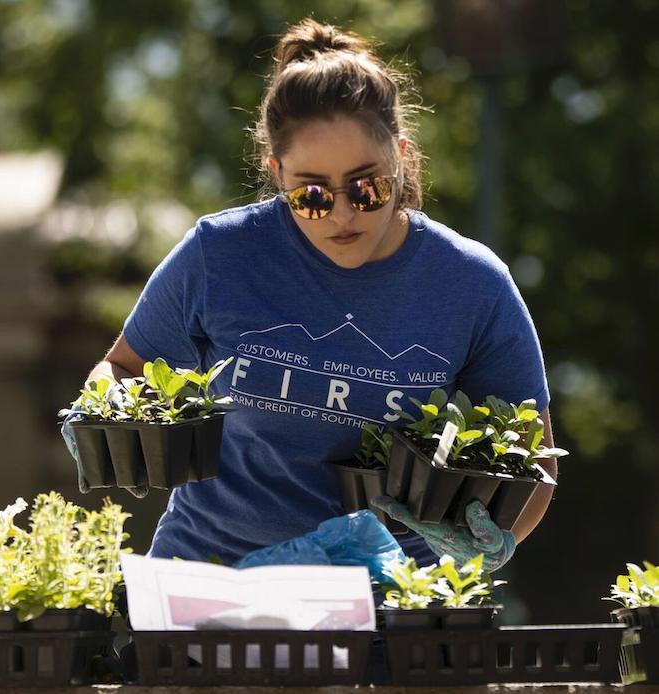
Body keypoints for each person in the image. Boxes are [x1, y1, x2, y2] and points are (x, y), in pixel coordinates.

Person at [62, 18, 557, 572]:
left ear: (401, 156)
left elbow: (533, 462)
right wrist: (103, 415)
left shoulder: (473, 284)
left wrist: (491, 542)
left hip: (390, 602)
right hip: (214, 583)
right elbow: (123, 366)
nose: (343, 214)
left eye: (368, 187)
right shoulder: (220, 255)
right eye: (313, 196)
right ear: (277, 173)